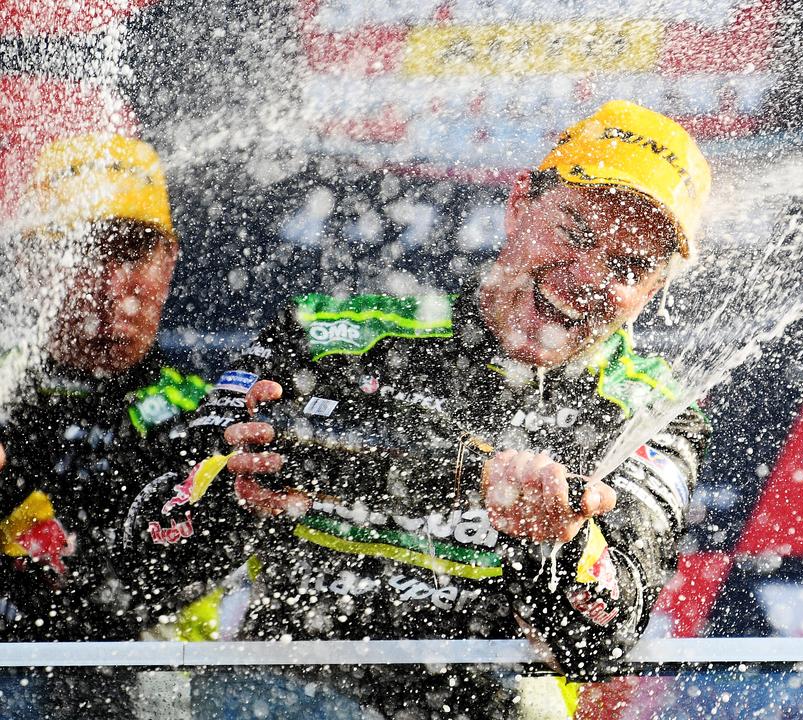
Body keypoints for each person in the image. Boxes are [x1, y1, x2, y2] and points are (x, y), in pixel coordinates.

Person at [121, 100, 712, 719]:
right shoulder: (326, 332)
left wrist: (563, 540)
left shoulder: (653, 407)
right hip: (289, 685)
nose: (587, 276)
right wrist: (228, 499)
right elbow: (143, 555)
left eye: (628, 265)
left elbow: (604, 639)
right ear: (518, 206)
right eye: (577, 233)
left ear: (655, 291)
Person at [0, 134, 209, 717]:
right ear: (29, 262)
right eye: (85, 250)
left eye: (134, 253)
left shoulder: (206, 413)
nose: (112, 285)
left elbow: (153, 581)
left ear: (169, 262)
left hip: (168, 693)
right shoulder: (2, 393)